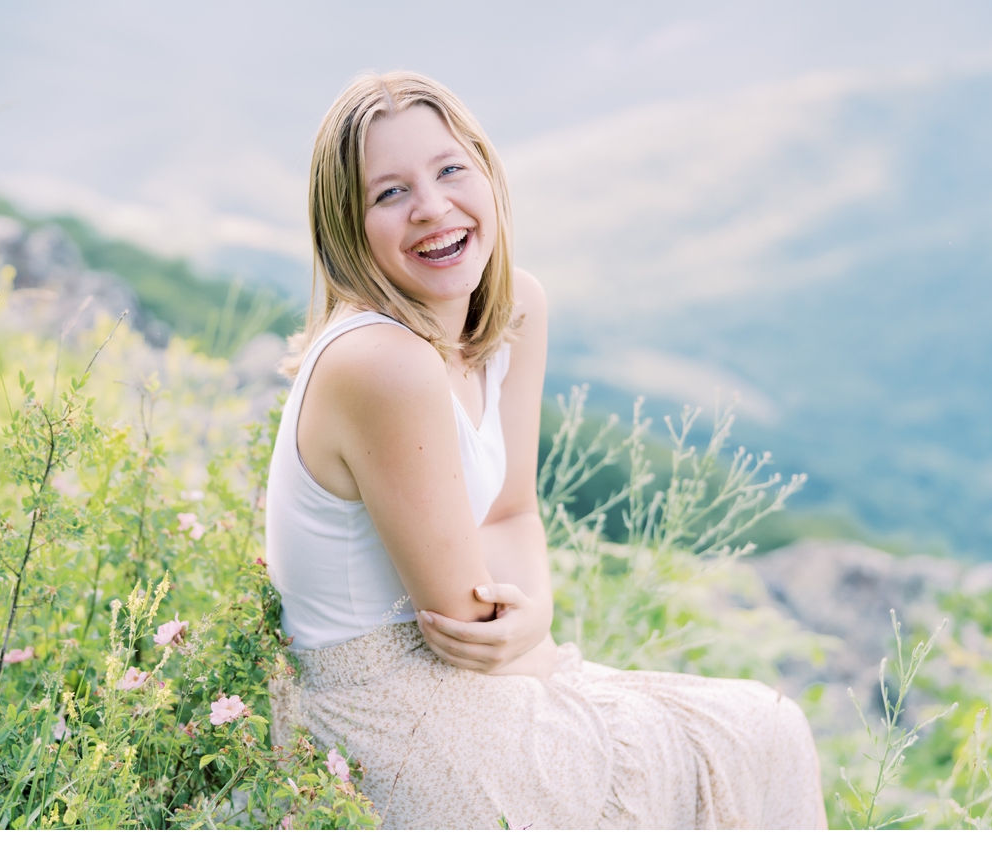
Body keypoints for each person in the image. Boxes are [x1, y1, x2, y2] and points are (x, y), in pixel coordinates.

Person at [264, 71, 827, 830]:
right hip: (386, 714)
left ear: (488, 175)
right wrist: (537, 650)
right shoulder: (381, 364)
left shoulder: (515, 309)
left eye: (450, 170)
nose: (433, 207)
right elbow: (461, 620)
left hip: (484, 674)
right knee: (742, 735)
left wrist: (537, 619)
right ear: (346, 229)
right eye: (389, 194)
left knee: (765, 727)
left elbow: (510, 511)